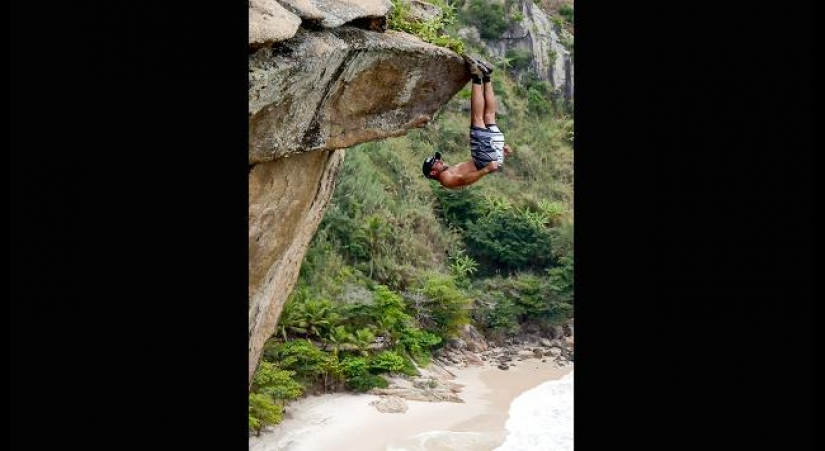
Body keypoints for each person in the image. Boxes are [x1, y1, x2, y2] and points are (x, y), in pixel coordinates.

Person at [422, 55, 513, 189]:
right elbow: (463, 180)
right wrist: (486, 170)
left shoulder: (449, 171)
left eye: (438, 159)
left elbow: (469, 172)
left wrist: (500, 154)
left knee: (489, 115)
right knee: (478, 118)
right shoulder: (446, 179)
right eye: (436, 162)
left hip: (491, 156)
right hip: (485, 159)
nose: (440, 161)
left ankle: (487, 76)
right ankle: (476, 75)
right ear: (433, 172)